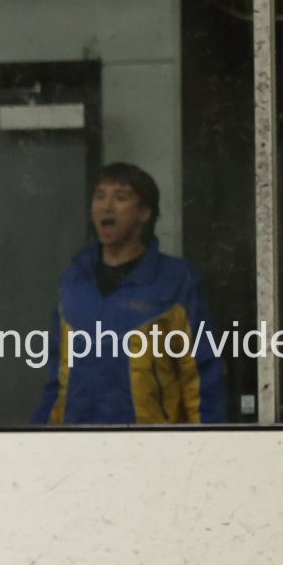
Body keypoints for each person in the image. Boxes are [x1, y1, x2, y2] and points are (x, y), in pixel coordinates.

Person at [33, 162, 225, 425]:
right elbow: (56, 383)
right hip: (77, 443)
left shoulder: (177, 281)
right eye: (100, 196)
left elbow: (202, 380)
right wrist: (37, 440)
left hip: (153, 445)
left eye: (120, 197)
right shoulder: (74, 282)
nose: (106, 206)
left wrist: (208, 445)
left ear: (144, 212)